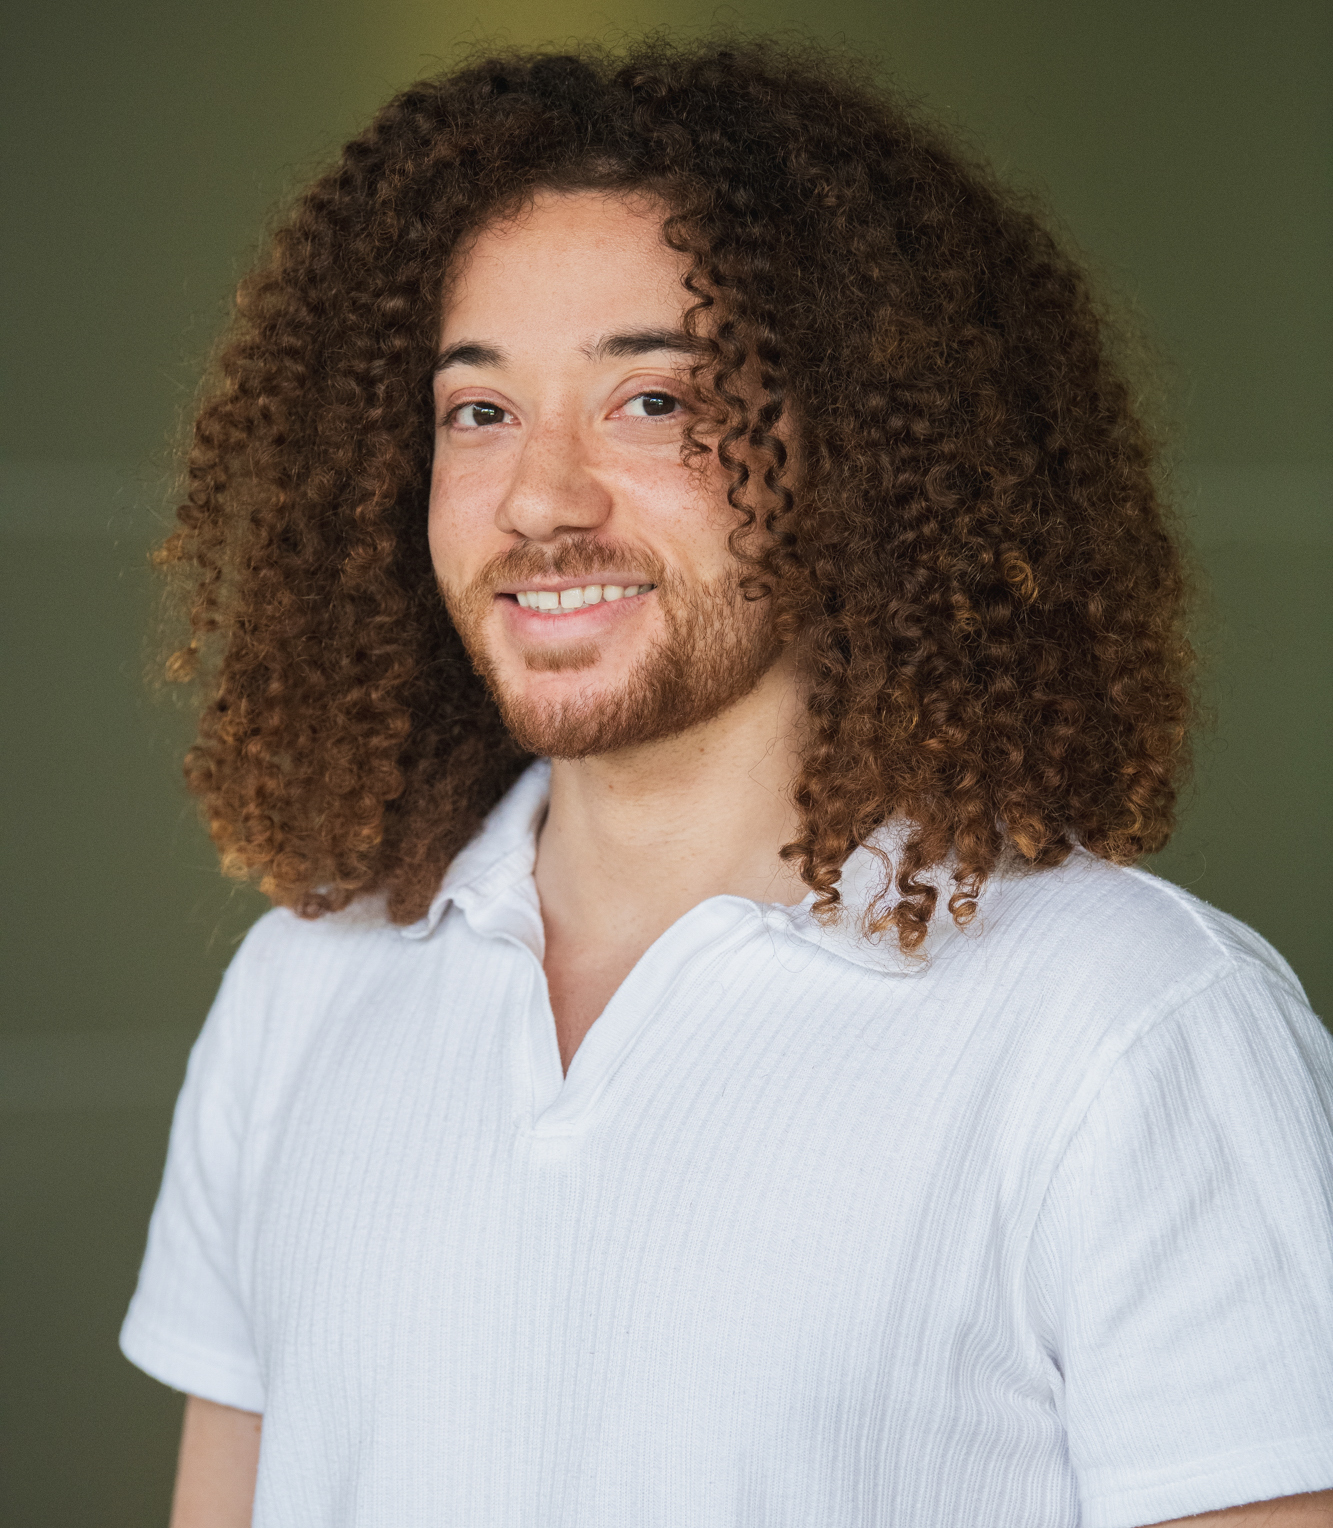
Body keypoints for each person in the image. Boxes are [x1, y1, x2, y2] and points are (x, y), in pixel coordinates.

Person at [120, 39, 1333, 1528]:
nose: (541, 499)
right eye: (479, 412)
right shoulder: (302, 989)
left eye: (651, 401)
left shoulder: (1128, 1026)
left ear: (854, 451)